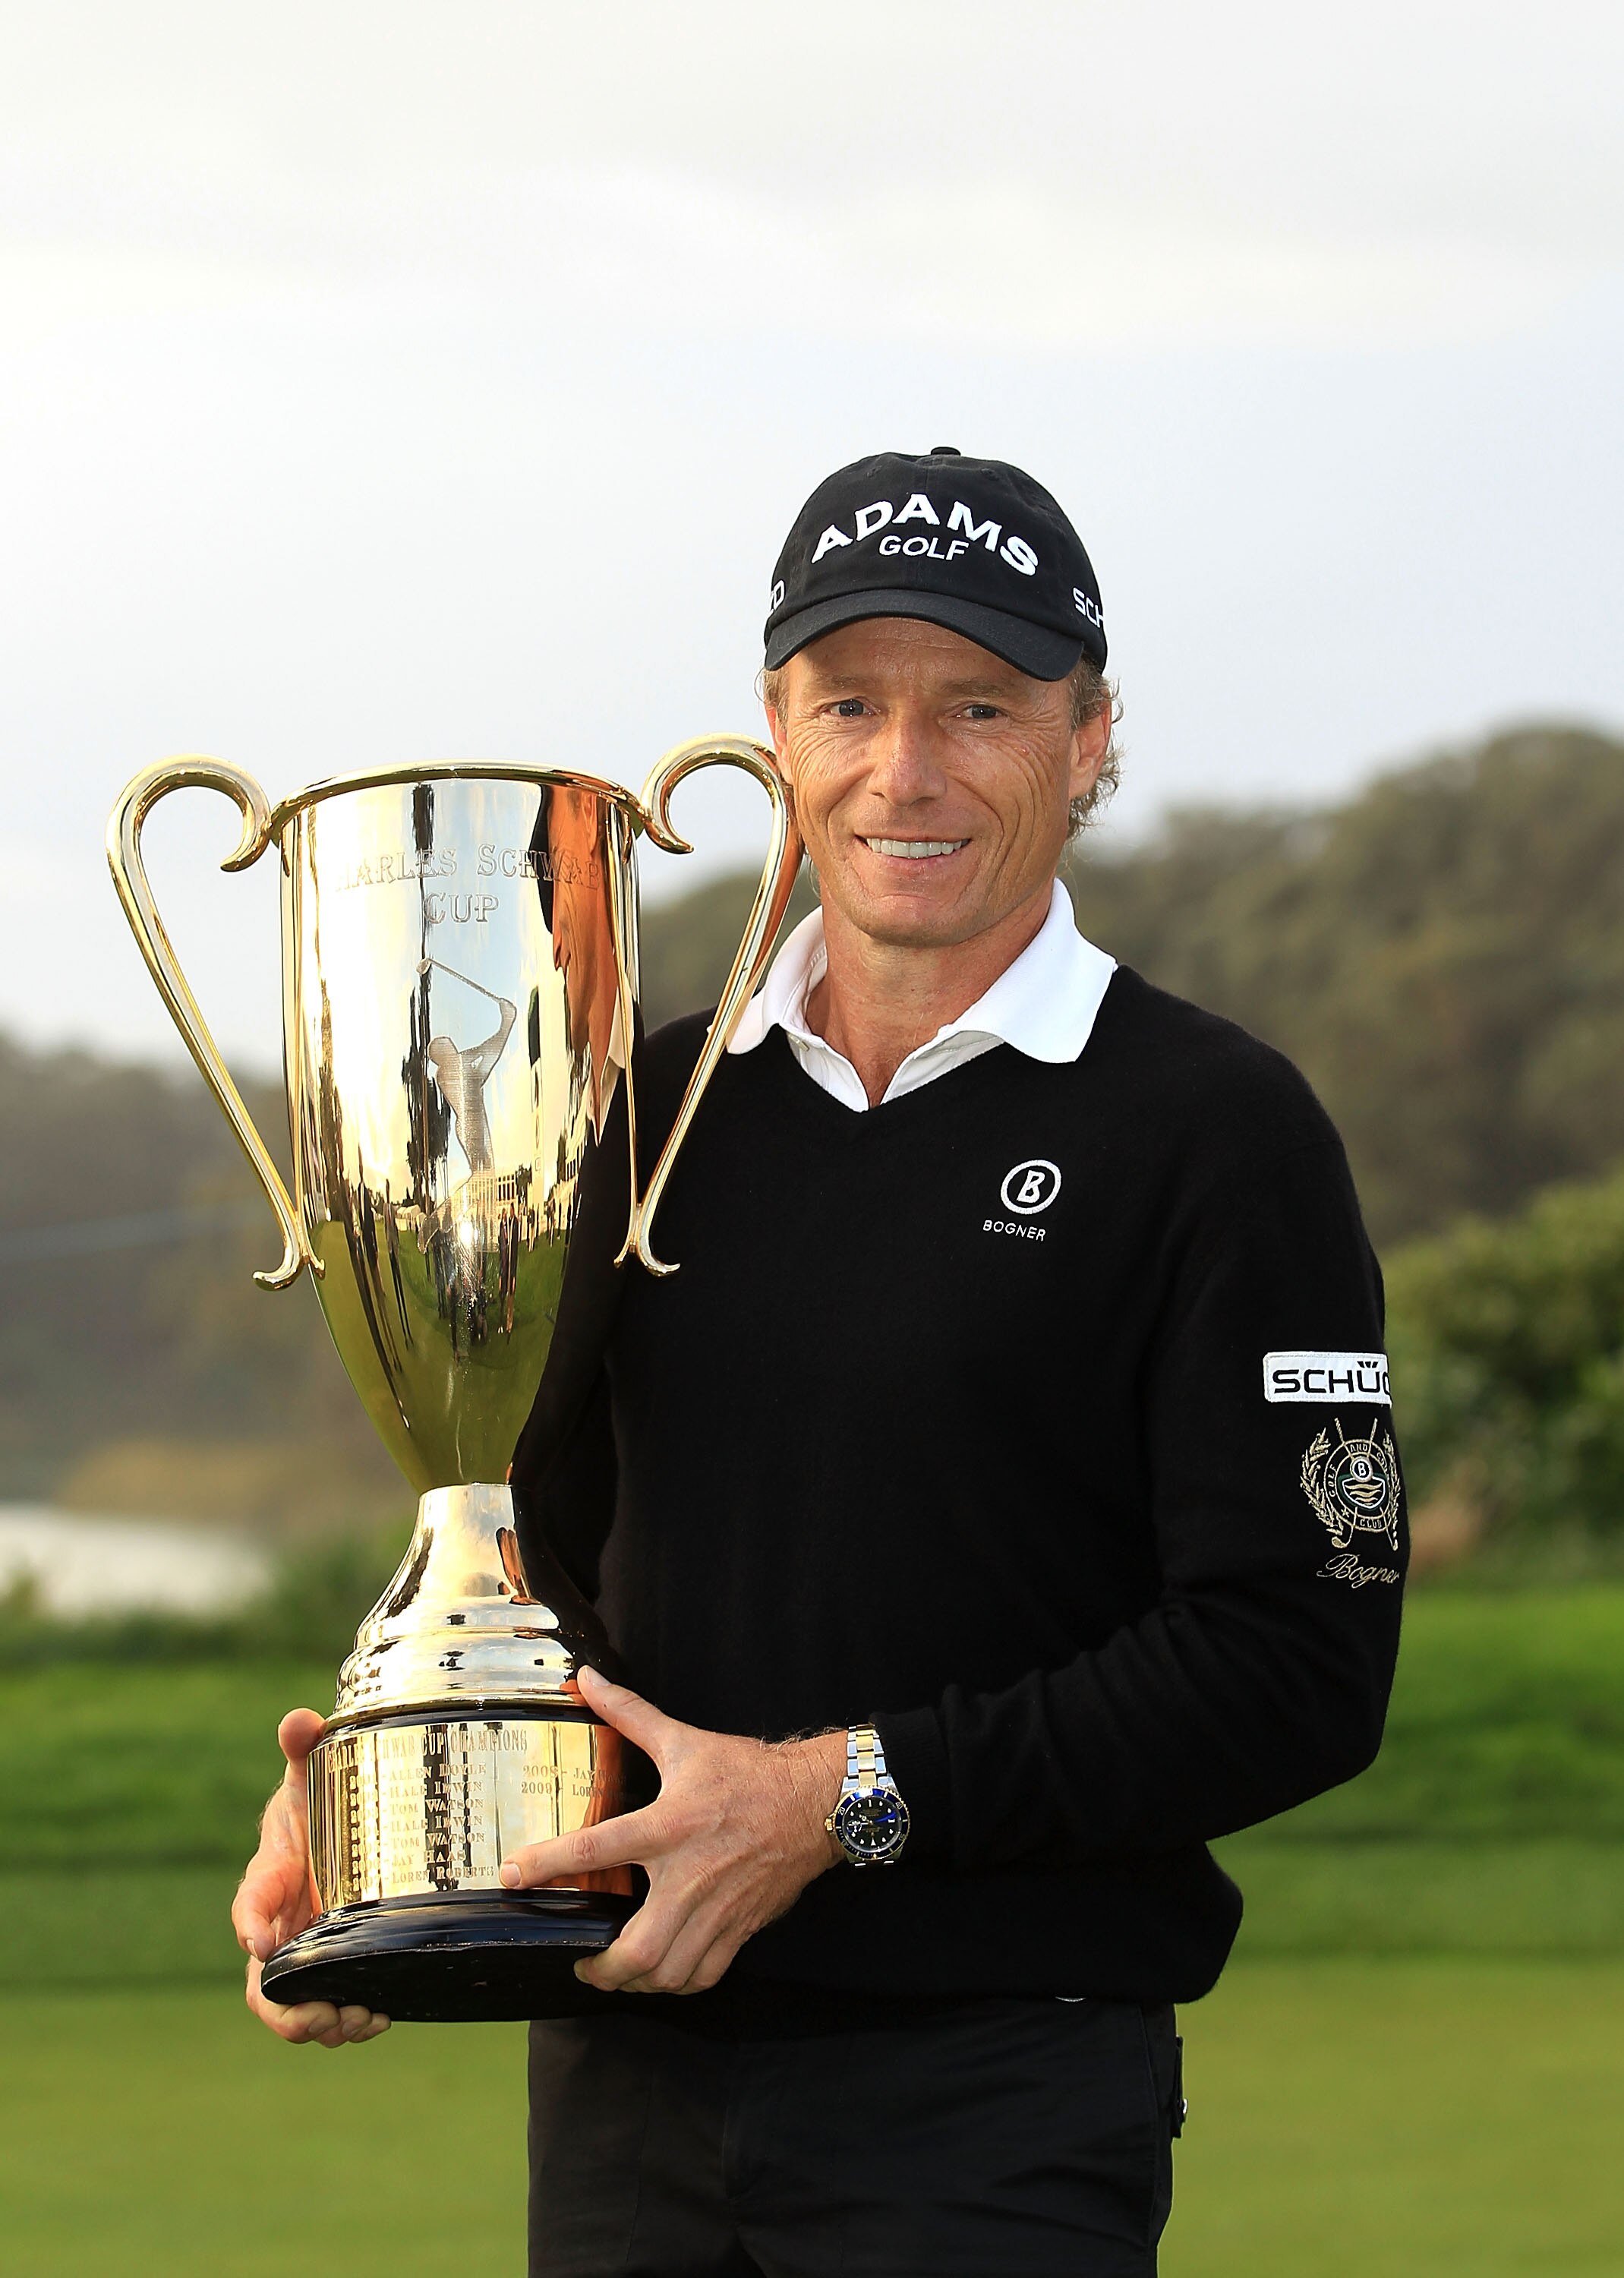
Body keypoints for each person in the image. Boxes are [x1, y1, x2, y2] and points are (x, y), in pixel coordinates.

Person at [234, 447, 1407, 2276]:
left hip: (997, 2107)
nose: (903, 770)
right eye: (848, 702)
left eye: (980, 708)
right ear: (773, 731)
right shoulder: (641, 1113)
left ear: (1089, 739)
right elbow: (536, 1574)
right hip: (622, 2095)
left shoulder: (1212, 1130)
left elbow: (1293, 1662)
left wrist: (828, 1804)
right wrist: (389, 1806)